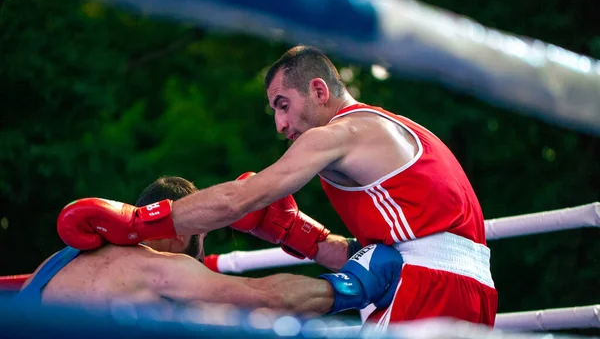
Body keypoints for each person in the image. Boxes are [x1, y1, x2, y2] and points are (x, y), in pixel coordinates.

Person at [57, 46, 497, 330]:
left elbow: (240, 199)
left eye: (283, 105)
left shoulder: (336, 134)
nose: (280, 124)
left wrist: (137, 224)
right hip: (472, 288)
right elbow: (394, 250)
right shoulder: (397, 128)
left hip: (425, 285)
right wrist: (307, 238)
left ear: (319, 89)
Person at [17, 176, 404, 318]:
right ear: (185, 233)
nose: (201, 256)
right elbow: (265, 298)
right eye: (201, 240)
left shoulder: (62, 259)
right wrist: (351, 284)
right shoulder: (161, 267)